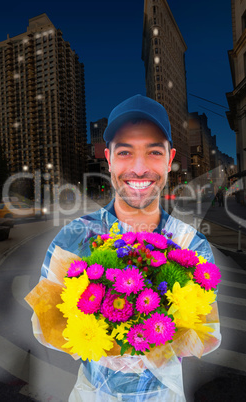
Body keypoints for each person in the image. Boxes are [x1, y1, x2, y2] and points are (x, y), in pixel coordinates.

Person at [33, 94, 221, 401]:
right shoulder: (74, 238)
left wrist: (151, 348)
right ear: (107, 159)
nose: (138, 168)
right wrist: (104, 347)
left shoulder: (191, 246)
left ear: (170, 159)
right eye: (124, 152)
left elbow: (209, 333)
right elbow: (46, 325)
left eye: (153, 152)